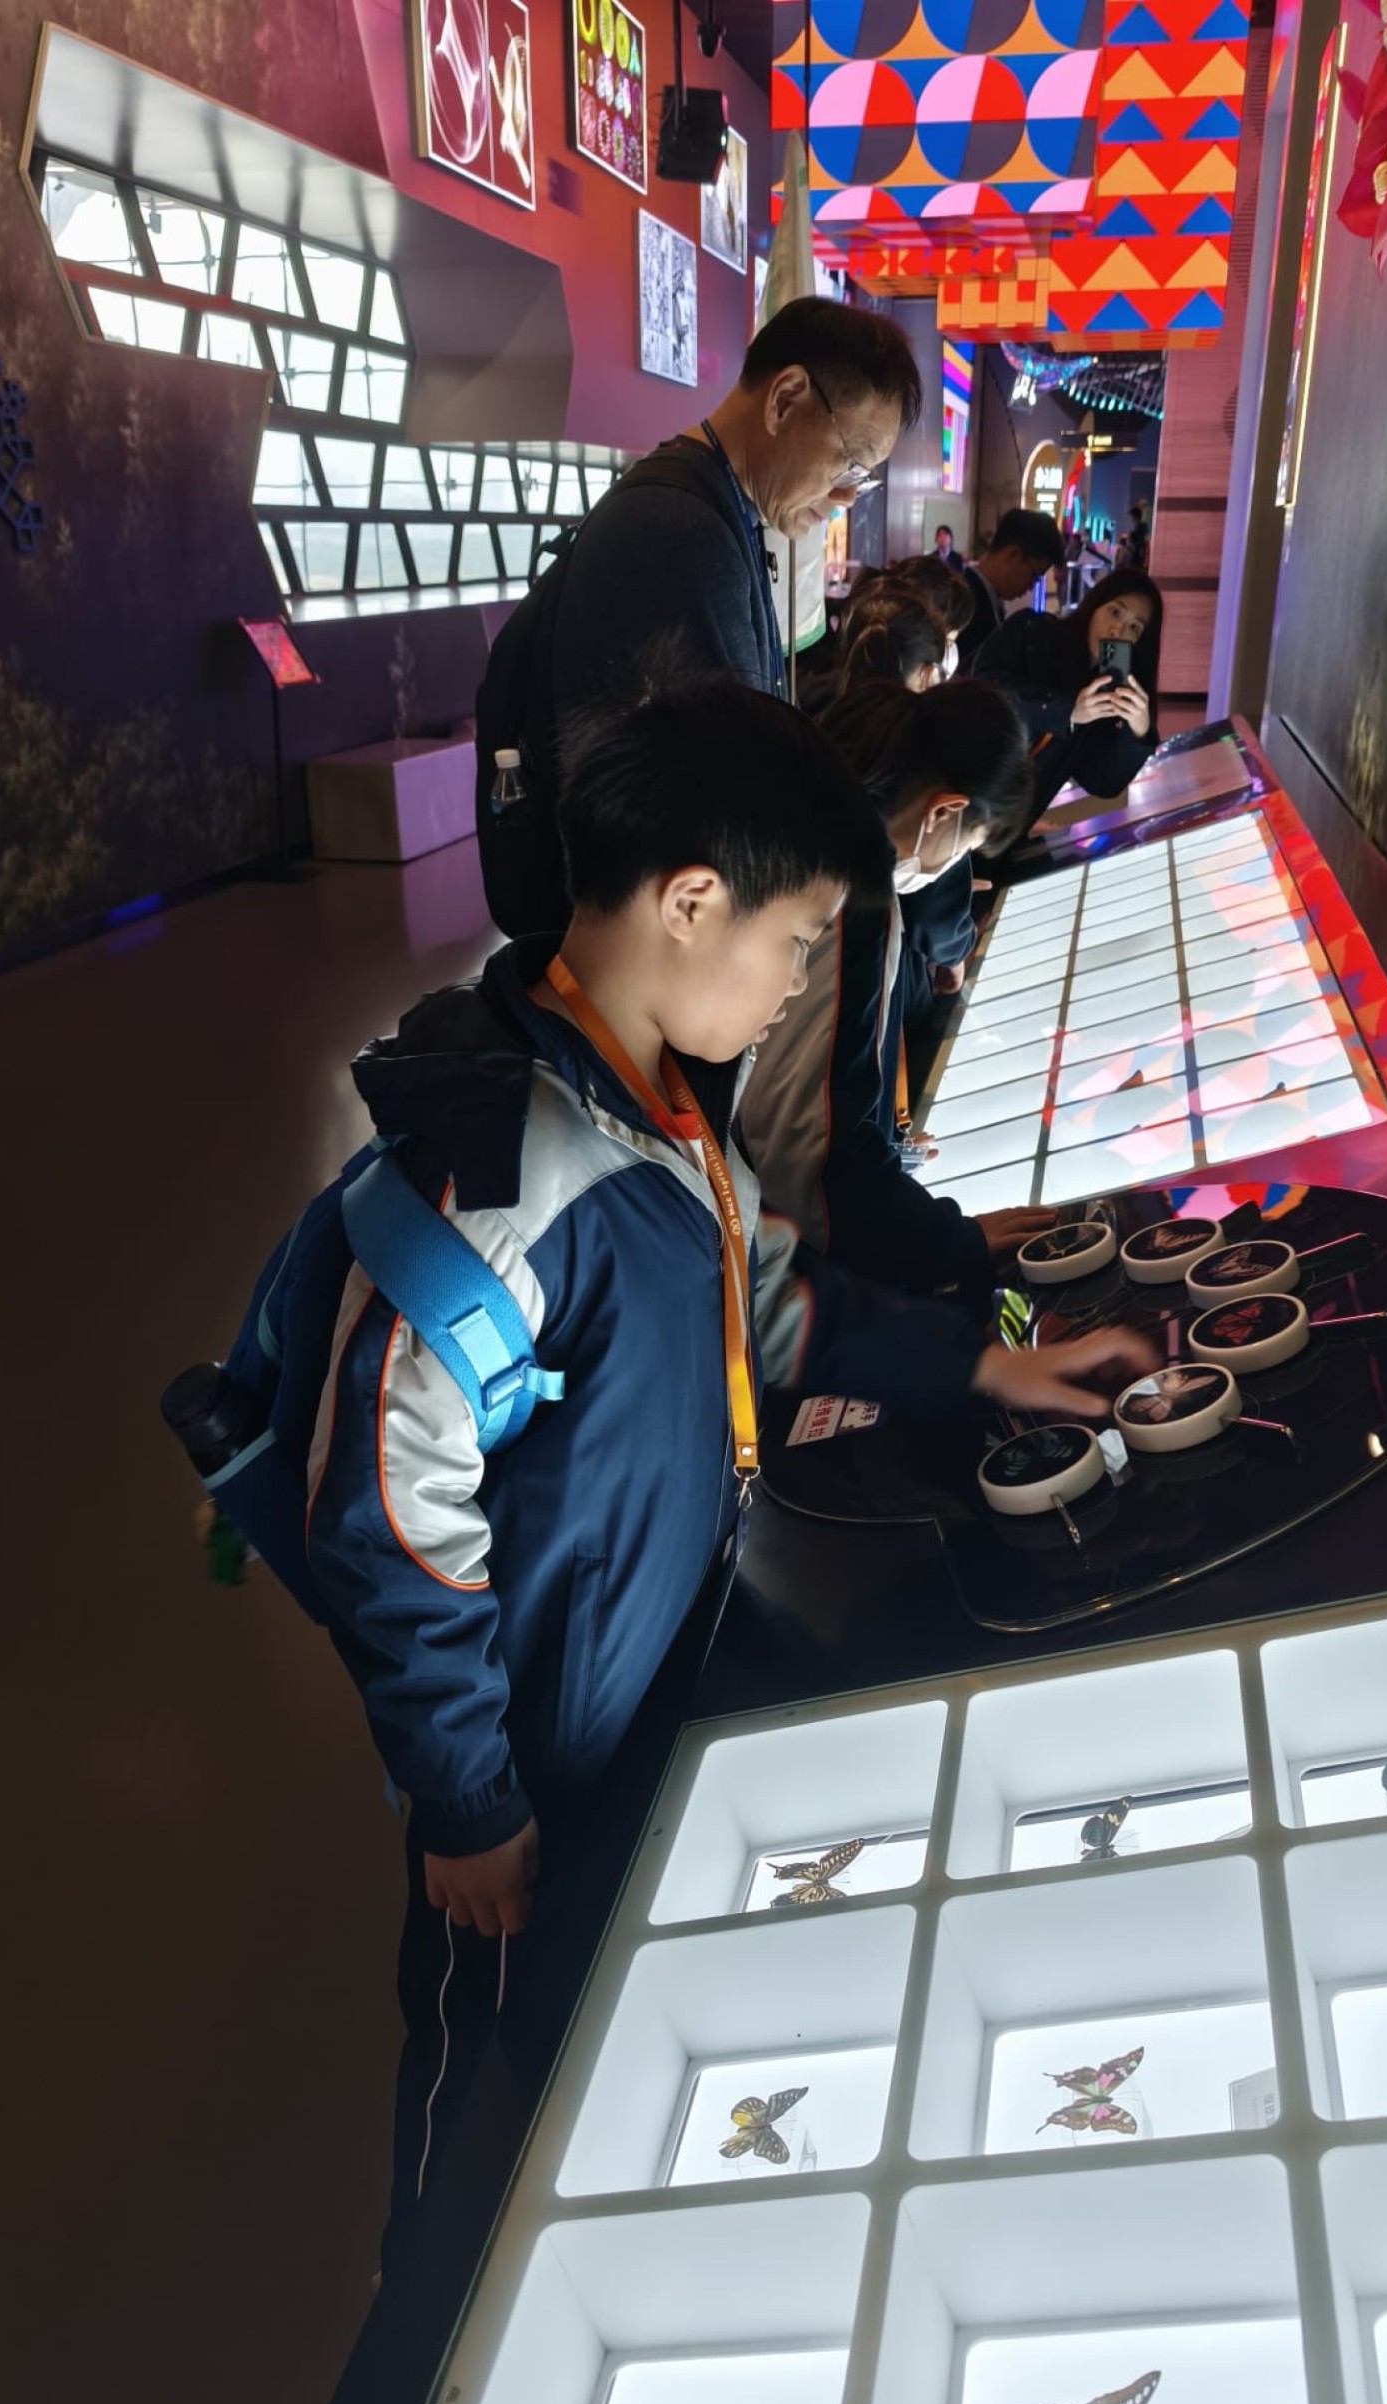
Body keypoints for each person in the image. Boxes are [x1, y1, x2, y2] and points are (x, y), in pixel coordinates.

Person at [303, 680, 1153, 2238]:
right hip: (537, 1750)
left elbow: (763, 1305)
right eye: (798, 939)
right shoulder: (505, 1174)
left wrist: (982, 1361)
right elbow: (384, 1509)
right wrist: (469, 1798)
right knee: (490, 2066)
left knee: (600, 2008)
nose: (801, 981)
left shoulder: (663, 1109)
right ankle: (430, 2291)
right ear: (693, 901)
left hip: (654, 1664)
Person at [483, 300, 926, 937]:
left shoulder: (706, 508)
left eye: (866, 479)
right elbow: (706, 802)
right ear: (785, 399)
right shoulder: (678, 533)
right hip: (633, 943)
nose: (847, 496)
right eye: (850, 462)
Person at [738, 680, 1056, 1302]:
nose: (950, 869)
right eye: (966, 849)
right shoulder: (853, 890)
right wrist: (950, 1241)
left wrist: (878, 1141)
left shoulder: (801, 810)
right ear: (944, 812)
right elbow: (811, 1163)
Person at [974, 567, 1163, 832]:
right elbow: (983, 692)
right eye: (1115, 612)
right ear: (1094, 606)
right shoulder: (1033, 631)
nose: (1117, 629)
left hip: (1005, 833)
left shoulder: (1108, 695)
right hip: (963, 794)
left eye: (1134, 627)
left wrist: (1138, 734)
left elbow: (1102, 782)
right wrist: (1067, 711)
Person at [957, 508, 1068, 665]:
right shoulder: (964, 604)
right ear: (1014, 554)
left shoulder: (981, 597)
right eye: (1035, 575)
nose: (1031, 587)